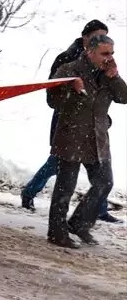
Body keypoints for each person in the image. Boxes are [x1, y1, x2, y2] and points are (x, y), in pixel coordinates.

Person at [21, 20, 118, 223]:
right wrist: (73, 93)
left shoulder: (103, 59)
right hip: (68, 123)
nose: (101, 40)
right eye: (96, 36)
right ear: (85, 38)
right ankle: (30, 192)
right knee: (57, 165)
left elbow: (105, 93)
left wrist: (101, 116)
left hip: (91, 127)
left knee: (98, 173)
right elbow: (53, 93)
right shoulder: (66, 59)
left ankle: (96, 210)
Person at [45, 33, 126, 248]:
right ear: (90, 52)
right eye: (104, 53)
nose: (109, 58)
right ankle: (56, 231)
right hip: (72, 136)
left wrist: (114, 76)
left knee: (104, 182)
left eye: (112, 53)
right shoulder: (69, 70)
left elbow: (123, 97)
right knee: (65, 187)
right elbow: (52, 101)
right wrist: (70, 88)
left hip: (97, 139)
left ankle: (80, 223)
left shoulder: (107, 73)